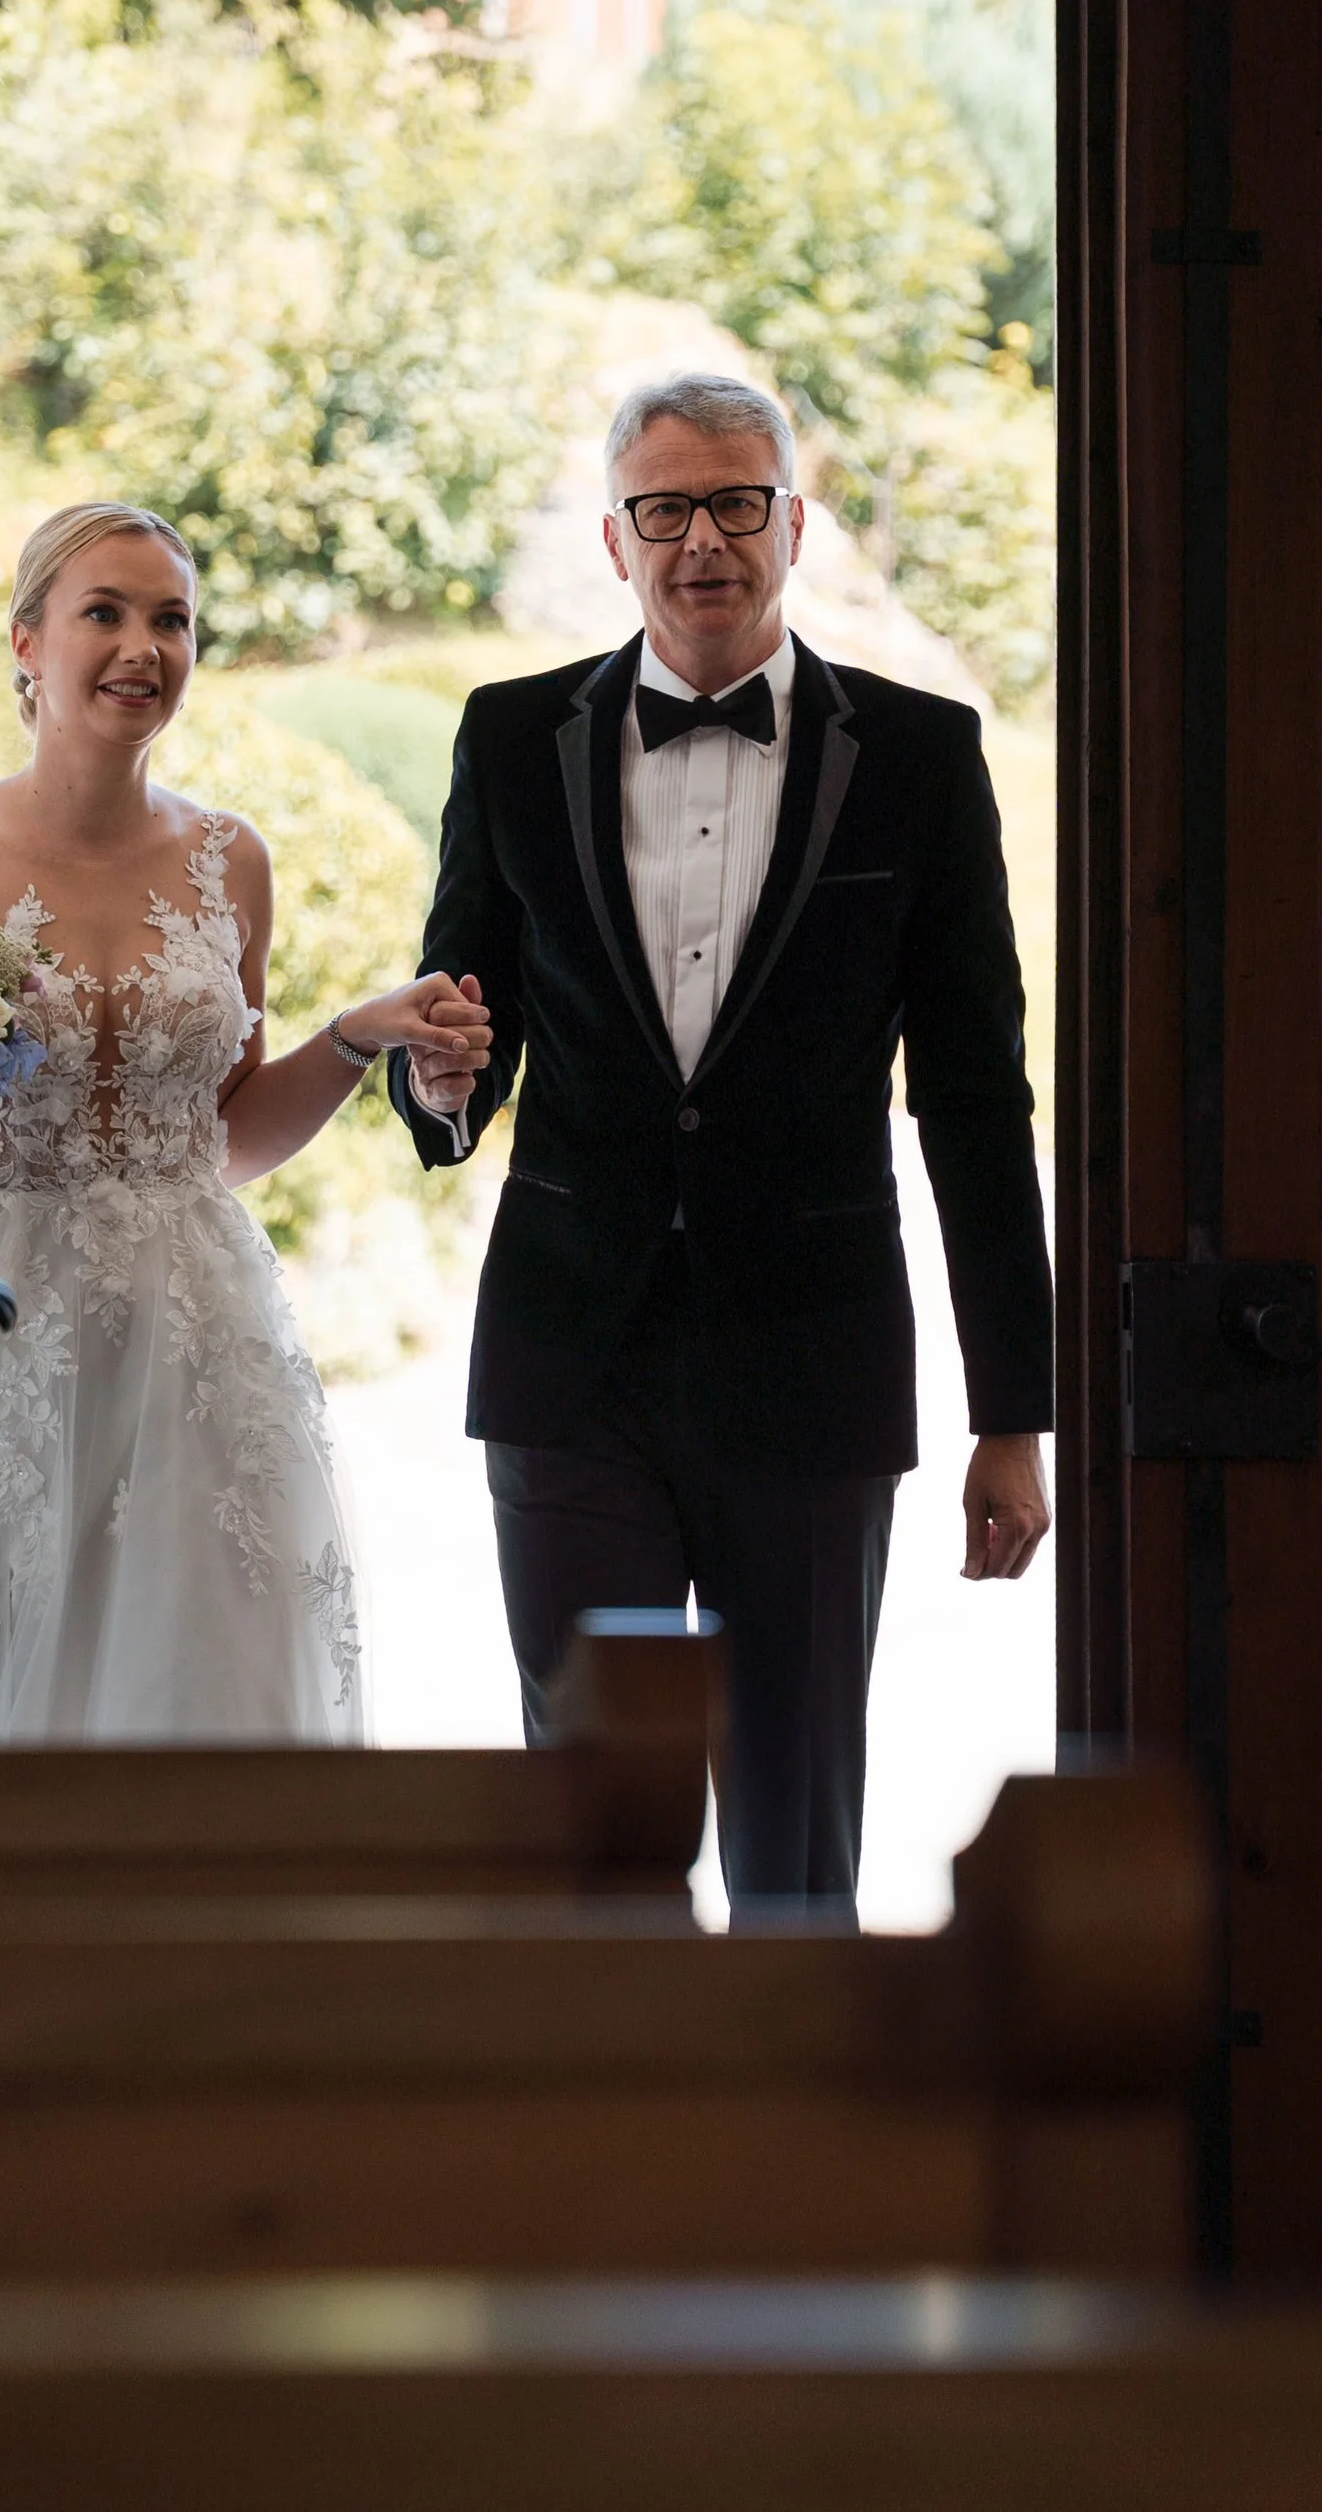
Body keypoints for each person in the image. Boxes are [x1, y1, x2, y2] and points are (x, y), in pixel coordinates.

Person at [391, 373, 1052, 1917]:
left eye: (737, 500)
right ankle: (615, 2150)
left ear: (795, 523)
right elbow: (462, 1020)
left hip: (812, 1366)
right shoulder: (508, 739)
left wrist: (1013, 1410)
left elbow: (976, 1096)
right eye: (665, 507)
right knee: (594, 1829)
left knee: (794, 1833)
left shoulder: (919, 754)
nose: (704, 538)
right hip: (572, 1366)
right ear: (615, 540)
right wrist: (439, 1086)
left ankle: (794, 2153)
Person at [0, 498, 488, 1746]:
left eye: (173, 620)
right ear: (28, 642)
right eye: (105, 612)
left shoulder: (228, 859)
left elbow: (222, 1139)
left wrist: (356, 1035)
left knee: (197, 1699)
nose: (143, 646)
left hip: (194, 1338)